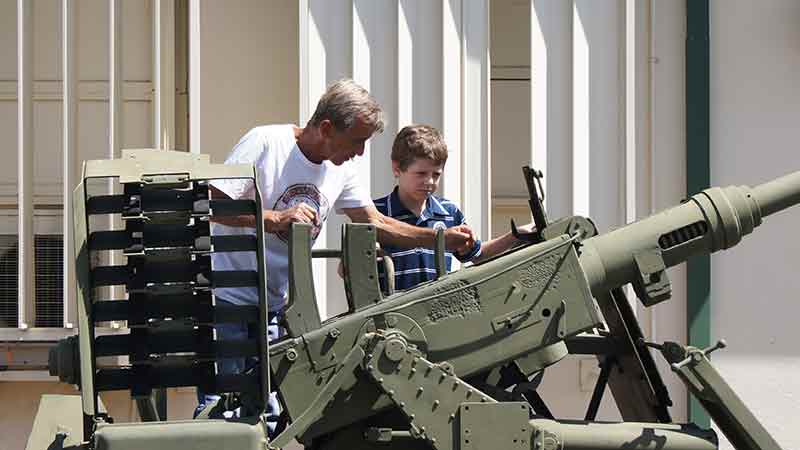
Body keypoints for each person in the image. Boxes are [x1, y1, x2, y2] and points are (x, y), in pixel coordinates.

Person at [195, 80, 475, 431]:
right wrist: (273, 218)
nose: (359, 152)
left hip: (274, 306)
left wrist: (438, 239)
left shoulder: (340, 169)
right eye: (357, 141)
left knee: (266, 417)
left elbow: (376, 222)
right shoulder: (267, 143)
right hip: (227, 300)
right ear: (326, 128)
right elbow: (212, 204)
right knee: (223, 414)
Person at [373, 124, 531, 291]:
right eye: (421, 174)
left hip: (438, 311)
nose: (430, 182)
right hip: (393, 313)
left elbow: (478, 255)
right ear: (397, 168)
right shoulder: (376, 213)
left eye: (436, 174)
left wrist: (515, 236)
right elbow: (348, 271)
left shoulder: (449, 213)